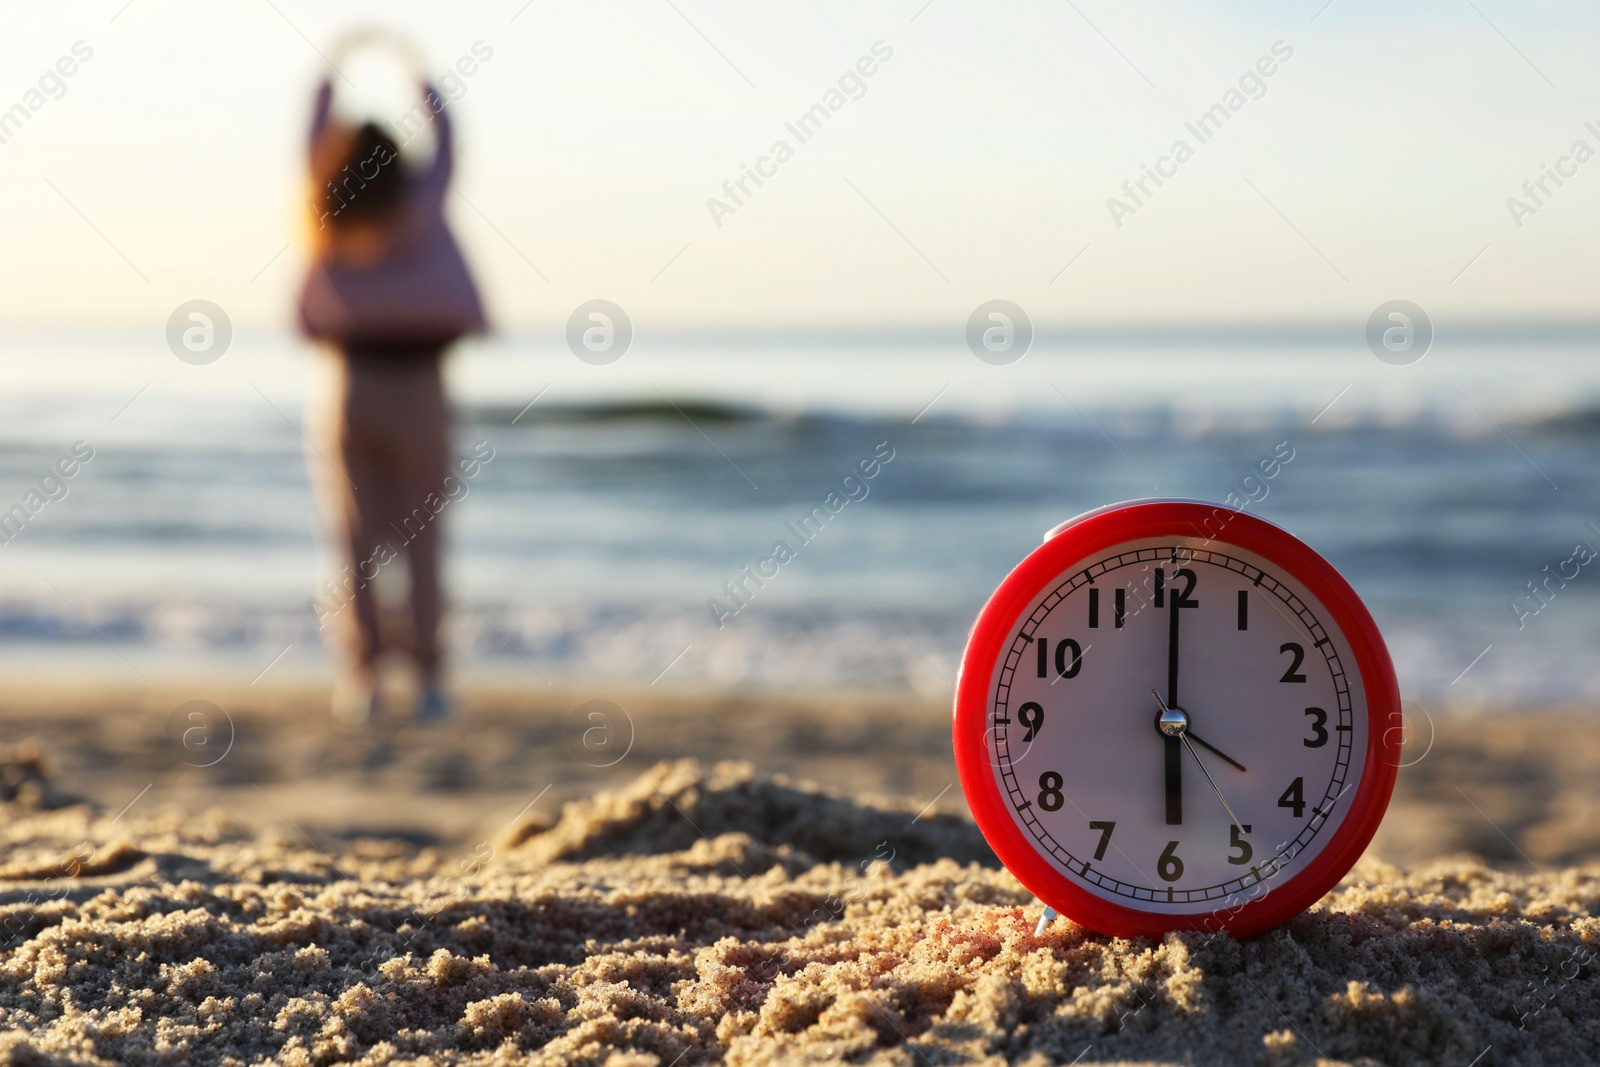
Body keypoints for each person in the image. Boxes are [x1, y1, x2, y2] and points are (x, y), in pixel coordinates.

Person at [297, 37, 486, 724]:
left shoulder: (327, 211)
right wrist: (417, 75)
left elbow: (309, 140)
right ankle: (432, 679)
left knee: (353, 538)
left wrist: (333, 74)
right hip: (420, 386)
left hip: (348, 384)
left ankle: (364, 678)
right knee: (425, 539)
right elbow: (449, 140)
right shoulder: (422, 206)